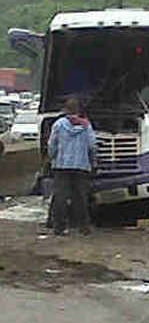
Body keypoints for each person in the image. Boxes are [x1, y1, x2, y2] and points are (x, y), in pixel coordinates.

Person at [48, 98, 96, 236]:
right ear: (79, 110)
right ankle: (83, 228)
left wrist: (52, 158)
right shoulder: (86, 126)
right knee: (80, 198)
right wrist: (93, 162)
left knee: (60, 197)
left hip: (61, 166)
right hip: (81, 166)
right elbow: (92, 146)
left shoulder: (59, 124)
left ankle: (59, 227)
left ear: (66, 109)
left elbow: (52, 144)